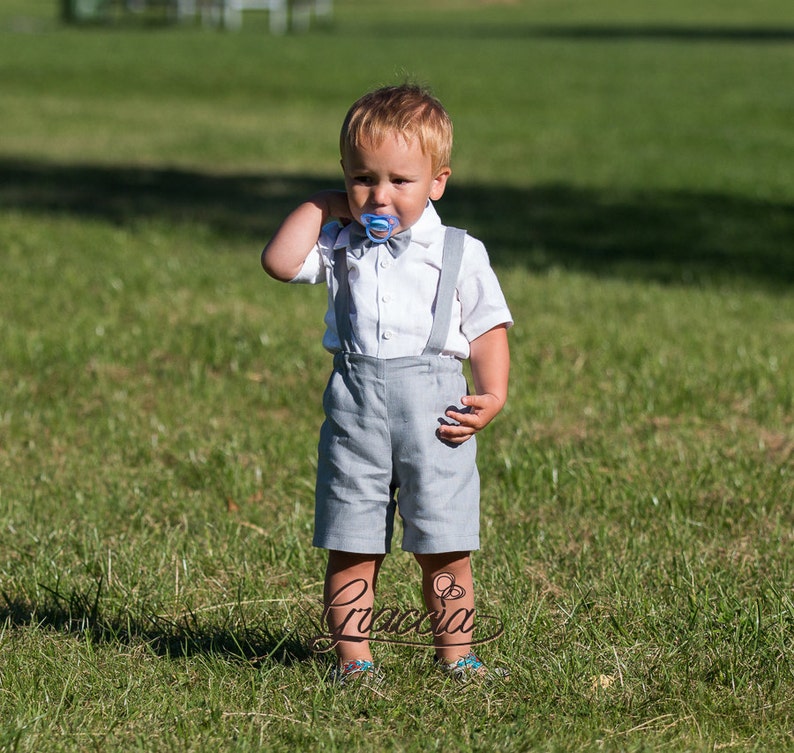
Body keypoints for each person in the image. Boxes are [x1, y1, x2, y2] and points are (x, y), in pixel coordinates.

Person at [261, 84, 512, 685]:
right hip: (356, 413)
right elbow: (278, 261)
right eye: (361, 178)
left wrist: (494, 394)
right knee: (351, 541)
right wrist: (325, 206)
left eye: (400, 180)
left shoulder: (459, 251)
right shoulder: (340, 244)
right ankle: (355, 662)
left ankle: (458, 654)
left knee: (444, 542)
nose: (378, 196)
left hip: (437, 414)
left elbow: (487, 329)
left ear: (437, 181)